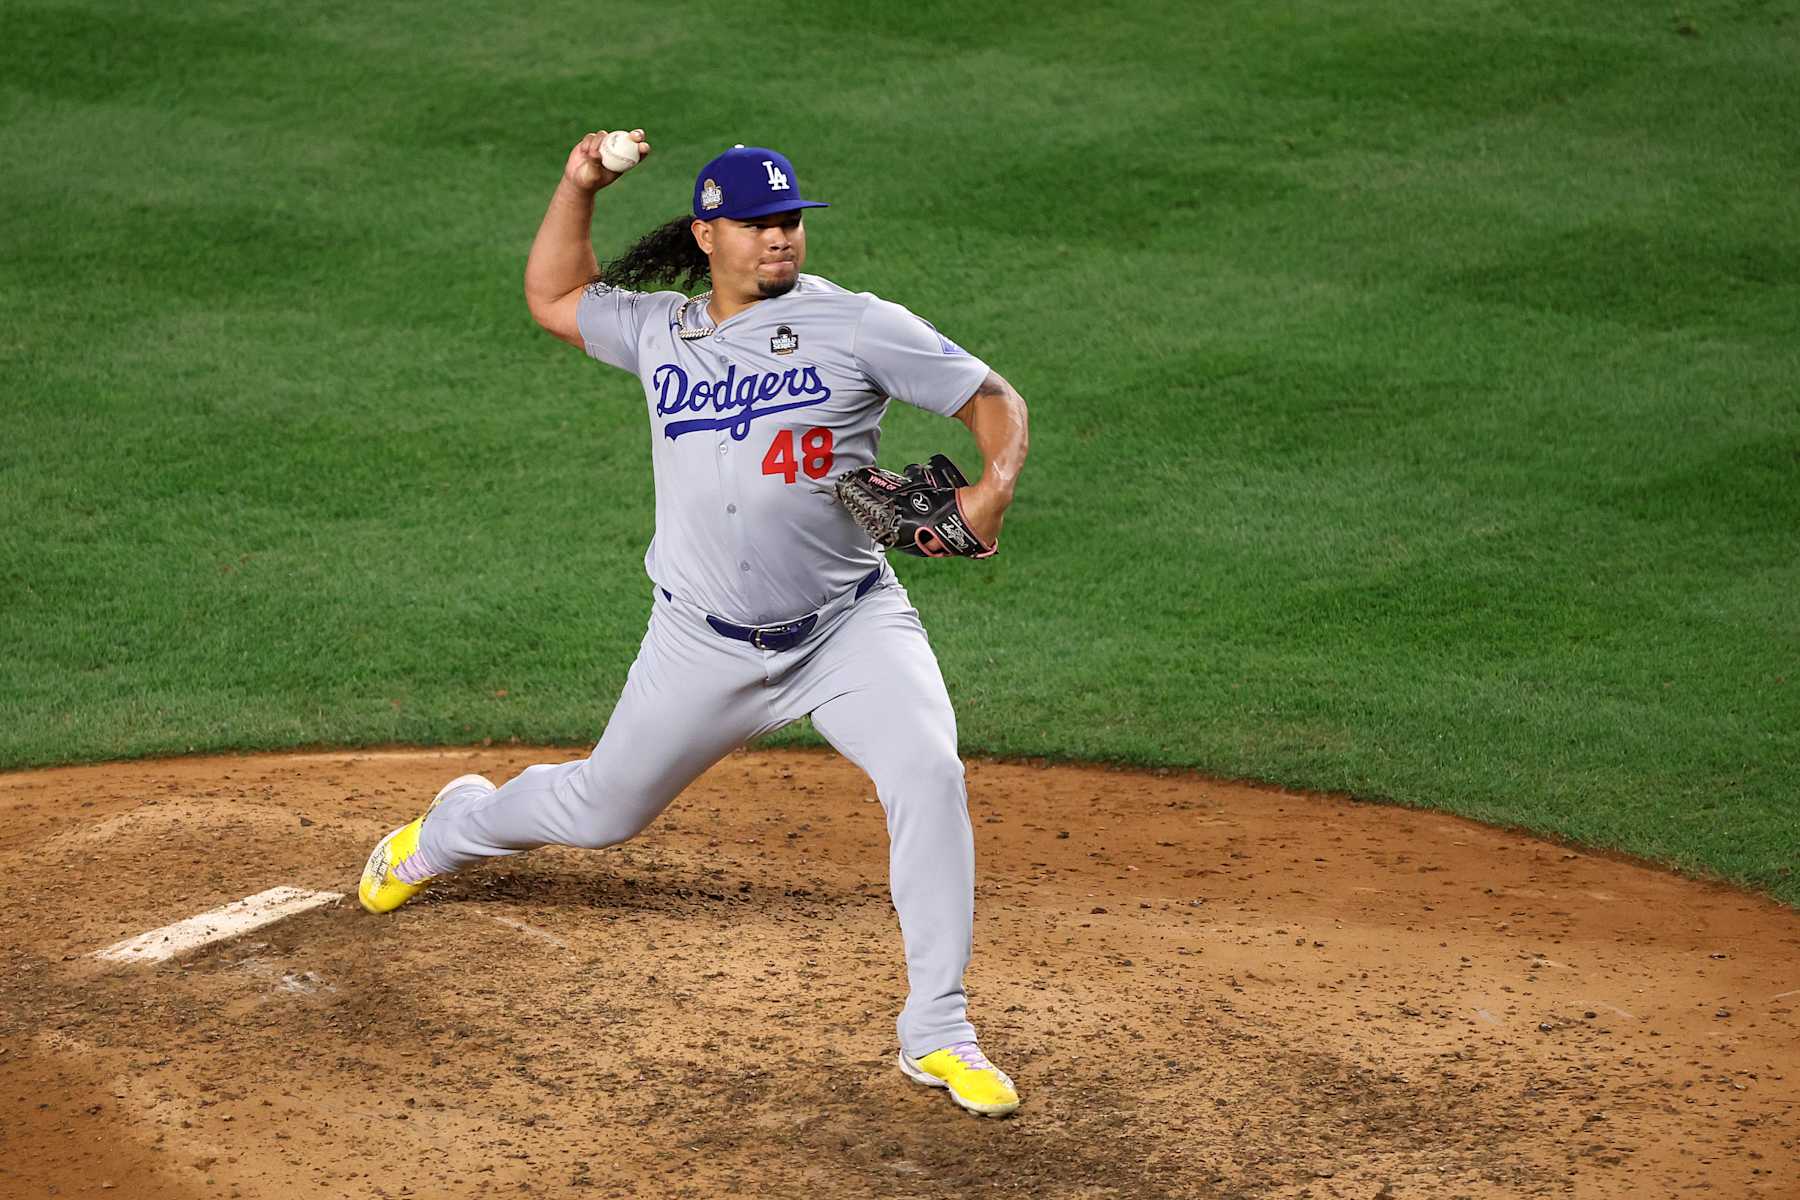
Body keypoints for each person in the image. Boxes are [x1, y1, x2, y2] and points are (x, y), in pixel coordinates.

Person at [358, 129, 1030, 1117]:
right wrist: (579, 180)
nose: (782, 239)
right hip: (700, 643)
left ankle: (938, 1029)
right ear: (707, 234)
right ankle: (456, 828)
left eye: (792, 222)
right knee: (599, 810)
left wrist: (993, 488)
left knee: (928, 770)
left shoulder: (857, 325)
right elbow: (552, 295)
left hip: (848, 629)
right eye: (759, 226)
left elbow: (991, 399)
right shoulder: (658, 331)